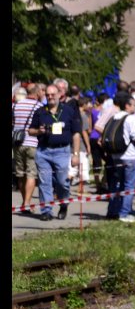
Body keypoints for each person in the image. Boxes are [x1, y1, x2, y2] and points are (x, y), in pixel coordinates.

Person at [27, 84, 82, 220]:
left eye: (53, 94)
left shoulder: (69, 111)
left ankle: (64, 204)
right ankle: (46, 211)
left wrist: (76, 154)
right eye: (48, 95)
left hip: (62, 152)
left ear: (59, 95)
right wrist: (38, 131)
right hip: (43, 152)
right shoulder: (40, 111)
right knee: (45, 182)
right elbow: (30, 130)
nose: (50, 97)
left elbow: (76, 134)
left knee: (62, 182)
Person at [105, 92, 135, 222]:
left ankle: (113, 210)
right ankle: (125, 213)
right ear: (127, 105)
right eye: (134, 105)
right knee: (129, 186)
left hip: (116, 156)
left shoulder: (114, 117)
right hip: (130, 156)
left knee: (117, 184)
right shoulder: (130, 118)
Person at [12, 83, 44, 210]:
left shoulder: (16, 105)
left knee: (20, 174)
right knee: (31, 173)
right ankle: (27, 203)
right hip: (32, 143)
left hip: (18, 143)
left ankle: (24, 201)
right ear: (36, 93)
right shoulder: (39, 106)